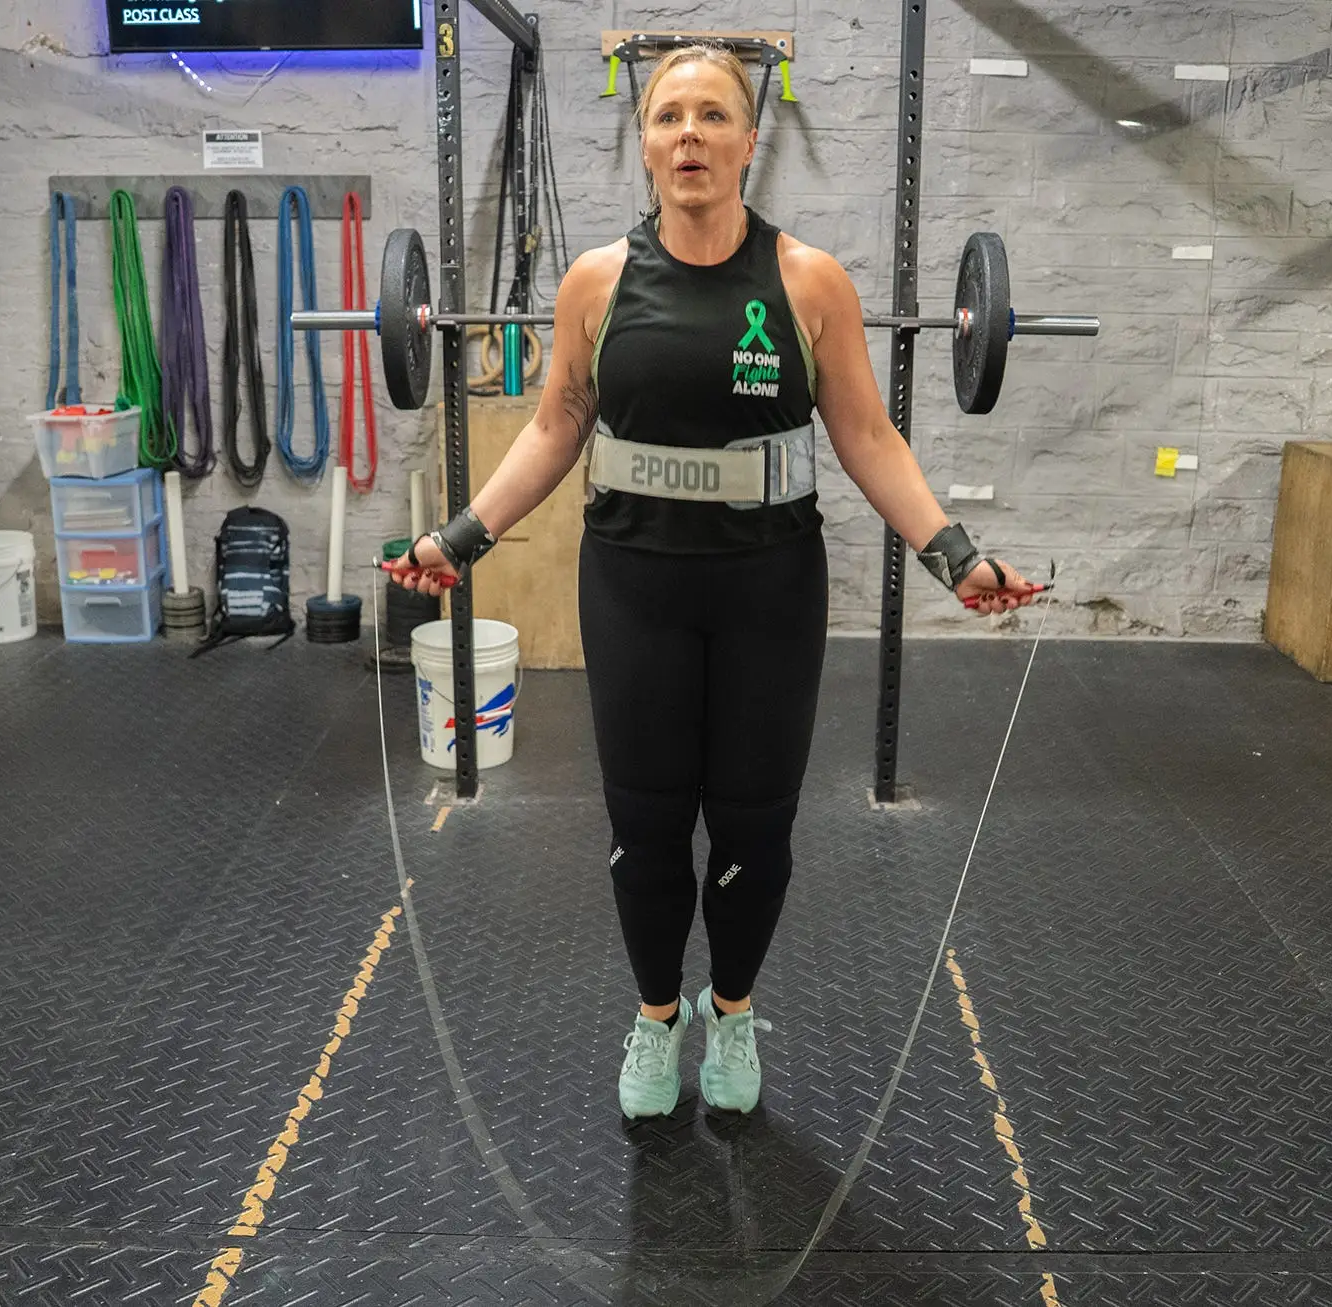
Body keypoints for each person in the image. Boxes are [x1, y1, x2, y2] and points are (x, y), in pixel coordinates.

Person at [392, 42, 1044, 1120]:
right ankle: (657, 1020)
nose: (687, 134)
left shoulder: (807, 282)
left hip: (766, 592)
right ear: (644, 143)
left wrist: (955, 555)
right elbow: (557, 424)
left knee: (752, 826)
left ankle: (731, 1010)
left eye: (710, 116)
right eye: (666, 117)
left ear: (748, 141)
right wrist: (458, 537)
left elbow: (868, 437)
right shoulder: (597, 282)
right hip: (636, 586)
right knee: (644, 824)